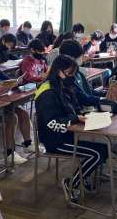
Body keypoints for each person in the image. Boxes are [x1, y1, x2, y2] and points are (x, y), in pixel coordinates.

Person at [34, 55, 108, 203]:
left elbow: (72, 108)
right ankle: (71, 183)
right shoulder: (47, 92)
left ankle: (82, 176)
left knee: (104, 147)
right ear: (59, 71)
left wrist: (83, 115)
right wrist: (75, 119)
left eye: (74, 73)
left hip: (69, 133)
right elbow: (52, 123)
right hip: (55, 140)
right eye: (70, 73)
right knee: (96, 154)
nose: (72, 77)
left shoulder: (62, 85)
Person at [59, 39, 101, 108]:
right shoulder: (65, 78)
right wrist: (102, 100)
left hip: (88, 107)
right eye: (80, 56)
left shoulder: (78, 73)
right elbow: (83, 99)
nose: (82, 58)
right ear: (72, 59)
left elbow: (89, 91)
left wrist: (106, 93)